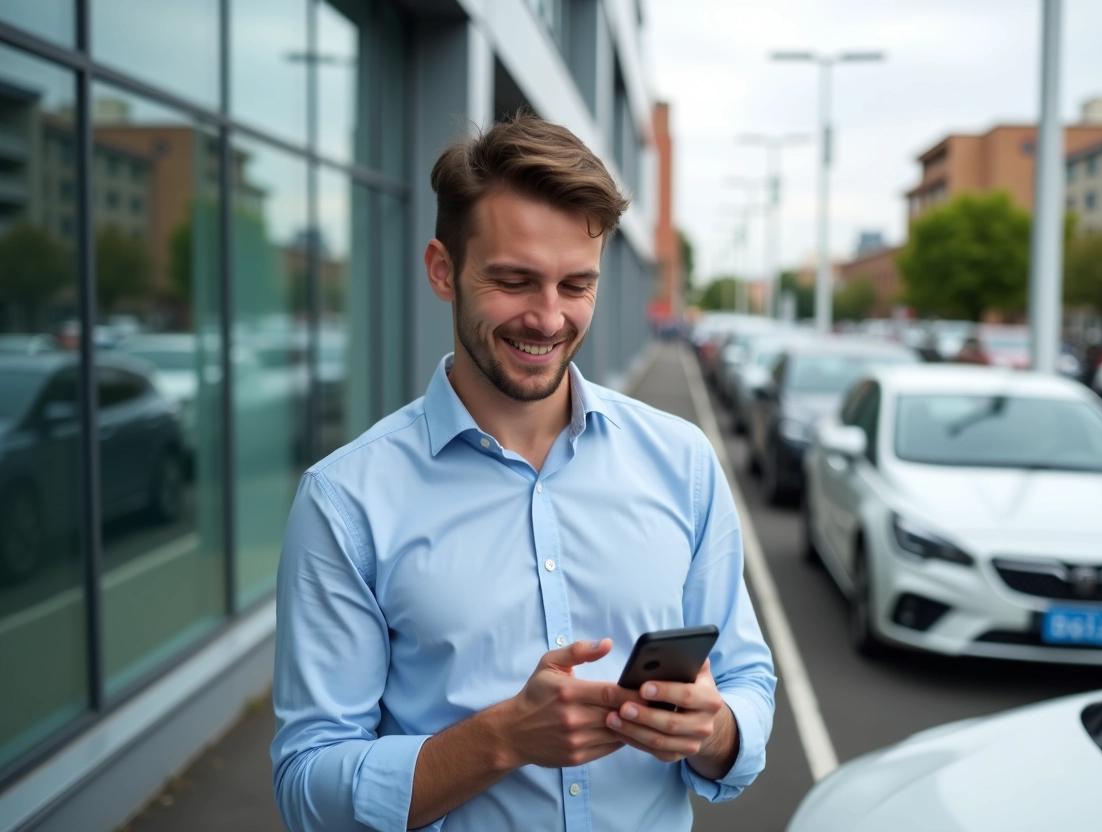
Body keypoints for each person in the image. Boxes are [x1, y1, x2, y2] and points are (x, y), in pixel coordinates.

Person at [271, 113, 775, 832]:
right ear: (443, 271)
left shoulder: (684, 462)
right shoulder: (345, 501)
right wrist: (501, 740)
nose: (548, 318)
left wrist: (715, 730)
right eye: (515, 281)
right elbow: (305, 784)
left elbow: (748, 679)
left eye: (577, 285)